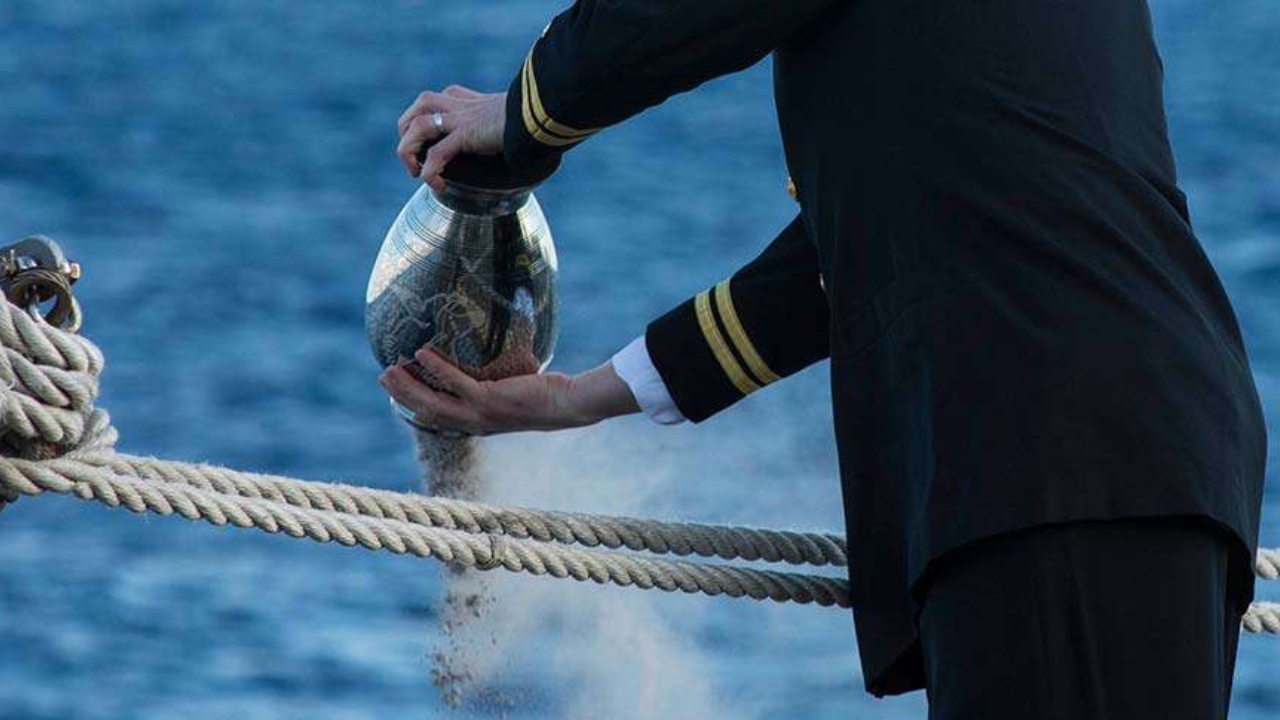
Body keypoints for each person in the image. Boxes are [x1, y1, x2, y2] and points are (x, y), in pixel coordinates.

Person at [379, 1, 1269, 718]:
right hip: (1148, 451)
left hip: (1048, 457)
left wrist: (523, 114)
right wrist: (579, 399)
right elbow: (852, 260)